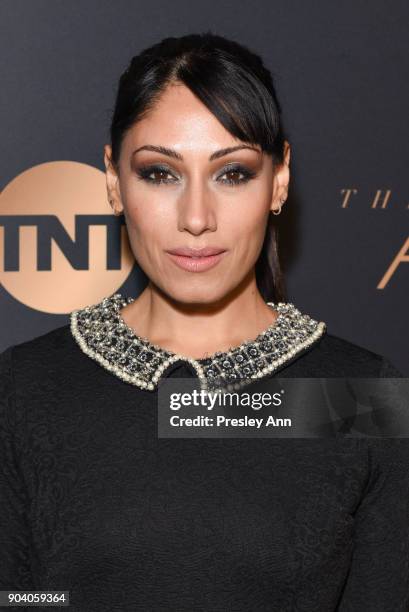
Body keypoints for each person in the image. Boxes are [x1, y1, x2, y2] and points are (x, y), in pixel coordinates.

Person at [0, 32, 408, 612]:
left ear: (280, 179)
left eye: (233, 173)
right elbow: (21, 598)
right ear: (114, 179)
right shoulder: (25, 389)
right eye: (161, 173)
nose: (196, 218)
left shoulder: (361, 399)